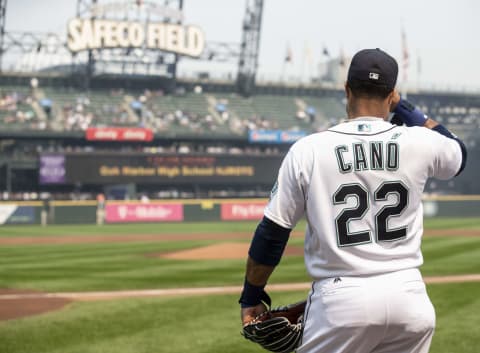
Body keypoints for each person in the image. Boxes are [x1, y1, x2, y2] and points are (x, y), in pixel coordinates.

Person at [238, 48, 467, 353]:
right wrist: (407, 110)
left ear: (346, 89)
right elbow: (458, 151)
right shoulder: (419, 141)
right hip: (409, 298)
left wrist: (252, 295)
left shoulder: (309, 149)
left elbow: (273, 233)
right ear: (391, 95)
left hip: (341, 302)